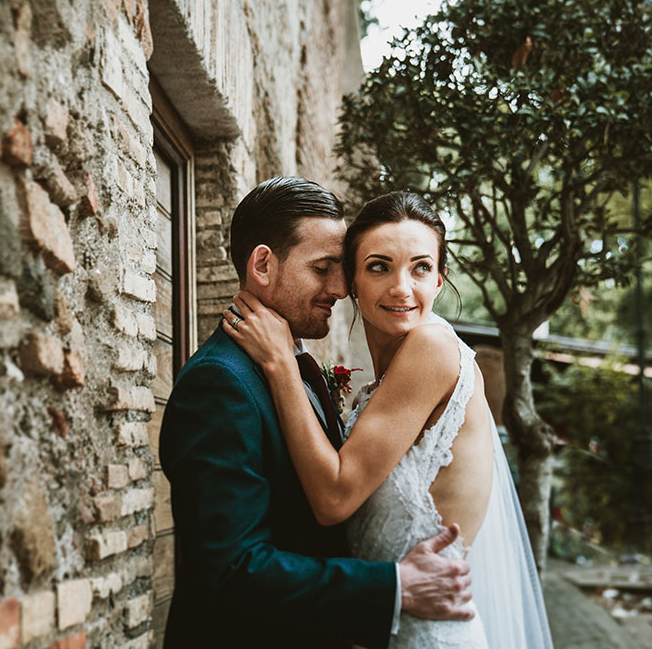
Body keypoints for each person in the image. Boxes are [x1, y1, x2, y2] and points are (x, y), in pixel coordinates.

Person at [224, 191, 553, 648]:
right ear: (352, 280)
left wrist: (281, 363)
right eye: (379, 266)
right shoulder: (381, 387)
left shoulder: (433, 348)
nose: (402, 287)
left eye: (420, 268)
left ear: (440, 280)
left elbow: (335, 497)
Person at [159, 178, 474, 649]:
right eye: (324, 268)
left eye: (342, 269)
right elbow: (231, 571)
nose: (341, 287)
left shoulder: (292, 363)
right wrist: (393, 587)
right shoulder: (220, 384)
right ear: (263, 264)